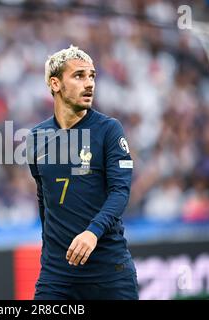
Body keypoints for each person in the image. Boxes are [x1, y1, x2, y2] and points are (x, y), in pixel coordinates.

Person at [26, 45, 138, 300]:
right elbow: (44, 198)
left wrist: (92, 232)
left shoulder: (109, 130)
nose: (89, 83)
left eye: (92, 76)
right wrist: (50, 250)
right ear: (55, 84)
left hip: (108, 273)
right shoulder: (36, 138)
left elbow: (120, 191)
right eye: (79, 76)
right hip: (57, 275)